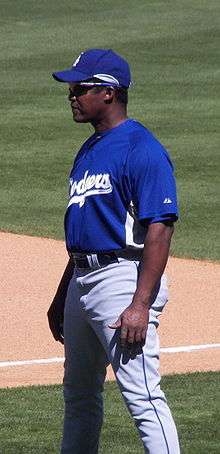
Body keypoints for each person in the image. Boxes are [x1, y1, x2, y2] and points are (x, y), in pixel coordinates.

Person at [48, 48, 180, 454]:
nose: (71, 94)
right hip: (82, 281)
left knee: (142, 397)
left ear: (109, 92)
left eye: (80, 87)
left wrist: (140, 304)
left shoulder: (141, 147)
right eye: (71, 87)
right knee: (80, 397)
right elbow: (83, 233)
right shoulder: (88, 150)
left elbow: (160, 229)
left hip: (123, 281)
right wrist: (61, 296)